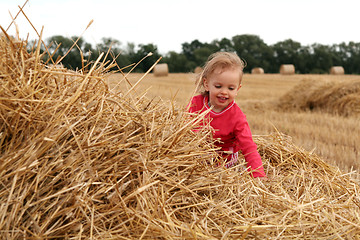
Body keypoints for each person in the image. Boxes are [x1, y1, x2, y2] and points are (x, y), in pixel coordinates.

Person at [187, 52, 266, 178]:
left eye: (231, 88)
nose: (224, 92)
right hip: (196, 160)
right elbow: (182, 130)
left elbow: (249, 147)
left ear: (237, 89)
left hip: (224, 164)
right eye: (218, 86)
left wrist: (259, 176)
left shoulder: (237, 117)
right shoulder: (195, 104)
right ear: (207, 84)